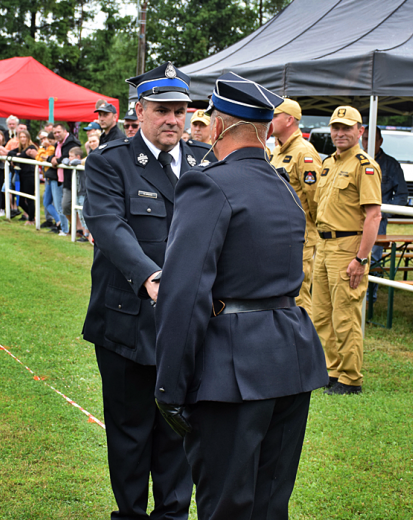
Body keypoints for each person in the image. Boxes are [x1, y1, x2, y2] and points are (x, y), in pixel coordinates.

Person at [154, 71, 327, 520]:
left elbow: (184, 293)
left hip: (233, 371)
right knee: (270, 504)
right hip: (289, 360)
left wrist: (170, 387)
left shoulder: (207, 183)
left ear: (218, 126)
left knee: (226, 506)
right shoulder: (284, 187)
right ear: (267, 128)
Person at [82, 61, 215, 520]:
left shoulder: (205, 162)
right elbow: (109, 226)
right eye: (162, 110)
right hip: (128, 320)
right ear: (140, 111)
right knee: (130, 432)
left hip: (187, 324)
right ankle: (131, 513)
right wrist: (150, 277)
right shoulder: (109, 162)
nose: (173, 120)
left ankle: (174, 514)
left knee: (178, 428)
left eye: (180, 111)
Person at [312, 106, 381, 395]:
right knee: (321, 315)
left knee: (345, 315)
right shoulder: (329, 163)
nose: (340, 133)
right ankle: (331, 370)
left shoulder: (365, 165)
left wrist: (360, 258)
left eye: (347, 128)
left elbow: (373, 215)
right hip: (324, 244)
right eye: (336, 128)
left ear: (360, 131)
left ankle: (350, 378)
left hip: (347, 247)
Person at [269, 98, 322, 318]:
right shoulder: (277, 151)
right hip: (279, 233)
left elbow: (316, 199)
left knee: (298, 296)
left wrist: (311, 232)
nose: (270, 121)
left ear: (290, 119)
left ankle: (305, 345)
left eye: (275, 116)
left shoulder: (304, 153)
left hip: (300, 236)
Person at [362, 125, 409, 303]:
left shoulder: (391, 165)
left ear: (380, 141)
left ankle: (369, 300)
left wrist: (383, 211)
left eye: (372, 139)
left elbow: (402, 195)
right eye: (365, 139)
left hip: (377, 222)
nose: (367, 143)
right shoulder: (354, 160)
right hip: (352, 219)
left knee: (373, 260)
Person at [45, 122, 80, 236]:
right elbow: (54, 157)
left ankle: (77, 229)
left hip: (72, 179)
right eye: (54, 133)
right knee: (63, 206)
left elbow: (67, 157)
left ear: (65, 131)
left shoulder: (72, 142)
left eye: (58, 132)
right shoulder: (58, 144)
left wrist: (56, 160)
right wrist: (53, 159)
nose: (56, 134)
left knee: (67, 205)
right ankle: (74, 228)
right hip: (62, 179)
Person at [8, 130, 39, 225]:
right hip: (21, 175)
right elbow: (10, 153)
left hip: (29, 175)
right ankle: (31, 216)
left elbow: (21, 156)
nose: (22, 139)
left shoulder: (31, 147)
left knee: (29, 198)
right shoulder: (21, 149)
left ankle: (31, 219)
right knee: (20, 200)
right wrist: (16, 155)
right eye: (21, 137)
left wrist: (18, 156)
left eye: (24, 137)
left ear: (28, 138)